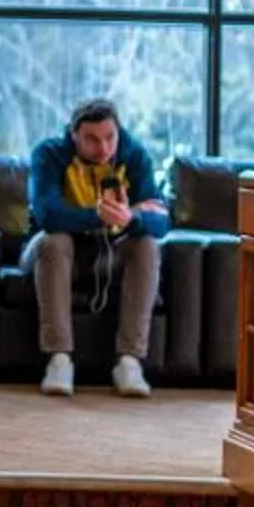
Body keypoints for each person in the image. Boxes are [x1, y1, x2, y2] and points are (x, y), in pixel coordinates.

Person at [25, 98, 168, 400]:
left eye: (109, 138)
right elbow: (48, 215)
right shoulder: (49, 154)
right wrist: (99, 216)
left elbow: (160, 222)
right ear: (73, 135)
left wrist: (132, 219)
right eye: (91, 139)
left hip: (109, 253)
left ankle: (129, 362)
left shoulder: (135, 155)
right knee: (55, 240)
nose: (103, 148)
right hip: (53, 253)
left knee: (146, 244)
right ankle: (59, 359)